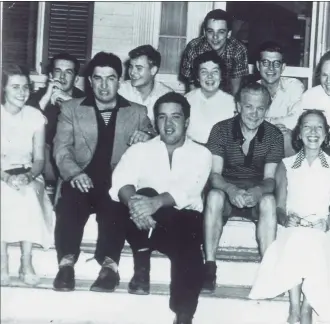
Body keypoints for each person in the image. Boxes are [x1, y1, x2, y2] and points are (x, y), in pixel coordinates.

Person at [52, 52, 156, 293]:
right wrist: (74, 173)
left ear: (120, 80)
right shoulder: (71, 108)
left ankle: (109, 268)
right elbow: (61, 149)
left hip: (115, 183)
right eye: (98, 78)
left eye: (110, 78)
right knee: (71, 202)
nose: (104, 85)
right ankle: (66, 266)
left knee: (115, 205)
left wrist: (147, 137)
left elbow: (157, 142)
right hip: (81, 179)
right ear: (90, 81)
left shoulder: (137, 112)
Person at [109, 93, 212, 324]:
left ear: (186, 121)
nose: (168, 124)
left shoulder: (201, 153)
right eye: (162, 117)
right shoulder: (140, 150)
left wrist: (154, 203)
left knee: (190, 240)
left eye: (175, 117)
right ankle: (142, 265)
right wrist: (136, 204)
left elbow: (190, 190)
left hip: (181, 224)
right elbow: (120, 182)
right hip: (142, 225)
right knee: (141, 194)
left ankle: (184, 314)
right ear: (155, 121)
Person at [249, 110, 330, 324]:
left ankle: (307, 306)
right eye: (307, 127)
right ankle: (294, 306)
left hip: (321, 227)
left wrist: (327, 222)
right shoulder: (287, 164)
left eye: (318, 127)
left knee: (315, 242)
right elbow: (280, 206)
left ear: (326, 134)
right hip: (294, 226)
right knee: (295, 240)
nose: (313, 132)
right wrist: (285, 219)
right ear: (299, 134)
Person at [203, 81, 284, 292]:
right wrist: (231, 190)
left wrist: (257, 192)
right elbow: (214, 175)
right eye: (249, 106)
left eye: (260, 108)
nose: (254, 114)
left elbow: (270, 179)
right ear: (238, 105)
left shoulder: (274, 135)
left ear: (267, 109)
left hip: (255, 193)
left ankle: (268, 271)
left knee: (269, 200)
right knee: (213, 196)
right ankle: (209, 266)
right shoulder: (220, 130)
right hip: (226, 188)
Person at [1, 64, 55, 287]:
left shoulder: (34, 116)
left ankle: (26, 261)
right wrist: (6, 177)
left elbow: (40, 160)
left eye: (26, 87)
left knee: (28, 194)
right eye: (15, 87)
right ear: (3, 89)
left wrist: (28, 177)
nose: (22, 92)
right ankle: (2, 262)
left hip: (28, 172)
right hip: (1, 173)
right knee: (3, 194)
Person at [26, 52, 85, 182]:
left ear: (76, 78)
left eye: (68, 72)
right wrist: (46, 98)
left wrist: (68, 101)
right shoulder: (39, 96)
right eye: (58, 71)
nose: (62, 76)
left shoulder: (85, 100)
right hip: (44, 154)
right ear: (51, 75)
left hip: (74, 154)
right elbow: (25, 127)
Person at [180, 9, 249, 95]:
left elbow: (235, 90)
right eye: (210, 31)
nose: (215, 37)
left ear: (228, 34)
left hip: (227, 97)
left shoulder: (238, 50)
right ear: (204, 32)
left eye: (221, 32)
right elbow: (192, 88)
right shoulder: (193, 48)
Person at [256, 41, 305, 157]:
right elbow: (246, 121)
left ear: (283, 67)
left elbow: (297, 119)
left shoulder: (294, 86)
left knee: (286, 136)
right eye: (265, 63)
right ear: (258, 66)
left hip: (285, 143)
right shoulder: (250, 91)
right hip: (257, 141)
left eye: (276, 64)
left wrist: (266, 124)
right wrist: (273, 128)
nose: (271, 68)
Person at [185, 51, 236, 144]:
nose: (210, 76)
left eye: (215, 71)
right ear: (197, 77)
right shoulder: (187, 99)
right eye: (204, 72)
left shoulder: (232, 103)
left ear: (221, 76)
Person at [119, 45, 173, 124]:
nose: (132, 72)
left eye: (139, 68)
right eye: (131, 67)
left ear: (153, 70)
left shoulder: (167, 96)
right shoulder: (120, 90)